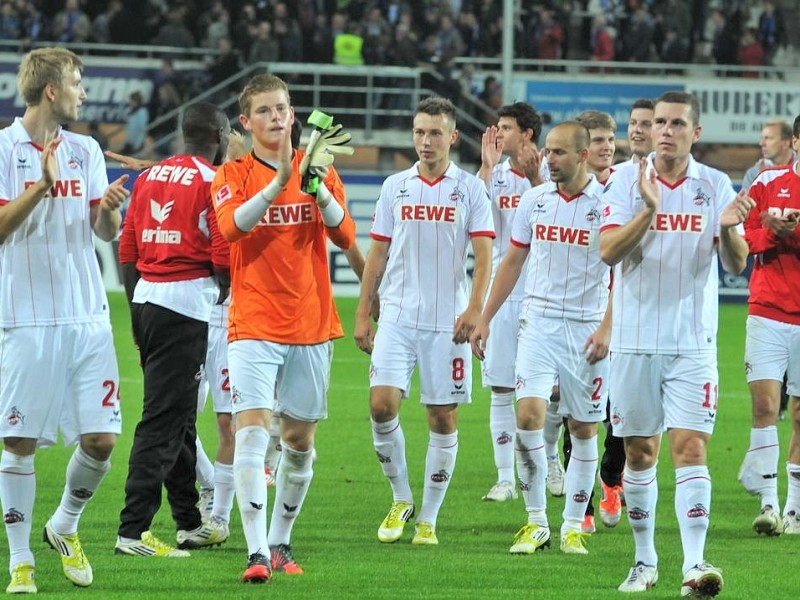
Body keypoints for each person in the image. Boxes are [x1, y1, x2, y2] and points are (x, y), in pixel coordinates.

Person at [599, 91, 754, 596]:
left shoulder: (715, 184)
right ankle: (644, 561)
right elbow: (607, 252)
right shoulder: (625, 180)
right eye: (659, 122)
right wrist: (649, 211)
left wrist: (730, 231)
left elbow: (734, 264)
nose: (666, 130)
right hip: (633, 340)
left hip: (693, 342)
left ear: (696, 131)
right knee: (641, 454)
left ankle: (694, 565)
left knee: (690, 448)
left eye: (677, 123)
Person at [211, 74, 356, 583]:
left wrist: (318, 191)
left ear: (293, 115)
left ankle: (279, 543)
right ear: (246, 122)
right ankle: (254, 553)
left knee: (299, 441)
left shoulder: (319, 168)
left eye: (283, 108)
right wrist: (278, 182)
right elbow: (232, 228)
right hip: (252, 321)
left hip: (311, 323)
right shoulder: (230, 173)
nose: (276, 117)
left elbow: (344, 234)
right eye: (265, 110)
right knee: (250, 432)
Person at [0, 47, 129, 594]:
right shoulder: (4, 147)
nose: (84, 93)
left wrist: (110, 210)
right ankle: (21, 558)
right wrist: (43, 186)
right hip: (27, 318)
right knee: (19, 442)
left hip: (89, 316)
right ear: (51, 90)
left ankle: (64, 526)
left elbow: (102, 233)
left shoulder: (86, 149)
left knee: (101, 439)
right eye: (77, 83)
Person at [354, 97, 494, 546]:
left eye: (435, 133)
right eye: (419, 132)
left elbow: (485, 255)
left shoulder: (471, 189)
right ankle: (401, 498)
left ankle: (428, 518)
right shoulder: (395, 186)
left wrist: (476, 310)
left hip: (446, 320)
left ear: (452, 137)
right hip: (396, 315)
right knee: (381, 407)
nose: (425, 141)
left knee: (441, 416)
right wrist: (363, 310)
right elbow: (376, 252)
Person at [471, 121, 611, 556]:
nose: (548, 159)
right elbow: (512, 262)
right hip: (539, 323)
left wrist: (608, 325)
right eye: (547, 152)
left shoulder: (607, 204)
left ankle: (572, 523)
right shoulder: (534, 200)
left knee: (584, 426)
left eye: (559, 153)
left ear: (583, 156)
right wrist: (485, 316)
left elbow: (625, 273)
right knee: (528, 417)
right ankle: (536, 522)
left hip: (587, 329)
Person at [115, 102, 232, 558]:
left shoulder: (151, 176)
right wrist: (225, 287)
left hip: (147, 299)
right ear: (221, 135)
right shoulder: (211, 180)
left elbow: (128, 245)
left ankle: (188, 521)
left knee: (180, 416)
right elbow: (222, 249)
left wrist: (134, 309)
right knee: (162, 424)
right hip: (186, 306)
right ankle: (133, 532)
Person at [475, 102, 546, 502]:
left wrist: (537, 178)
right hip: (502, 291)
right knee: (501, 386)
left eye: (505, 127)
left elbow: (552, 216)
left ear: (527, 134)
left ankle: (548, 461)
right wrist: (486, 168)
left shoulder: (552, 173)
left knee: (544, 390)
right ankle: (505, 478)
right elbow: (472, 218)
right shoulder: (495, 176)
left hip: (541, 291)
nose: (498, 133)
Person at [738, 114, 800, 537]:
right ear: (796, 140)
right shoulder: (766, 182)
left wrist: (787, 232)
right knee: (764, 408)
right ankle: (768, 505)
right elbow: (742, 236)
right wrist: (770, 232)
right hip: (766, 310)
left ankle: (795, 509)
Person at [741, 121, 795, 192]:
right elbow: (745, 202)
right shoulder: (754, 174)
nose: (761, 143)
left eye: (768, 138)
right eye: (762, 138)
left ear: (785, 143)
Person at [575, 110, 616, 185]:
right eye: (598, 141)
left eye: (611, 140)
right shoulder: (565, 186)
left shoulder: (627, 182)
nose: (608, 147)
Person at [624, 99, 655, 165]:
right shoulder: (614, 174)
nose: (637, 129)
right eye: (633, 123)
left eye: (646, 124)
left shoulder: (675, 174)